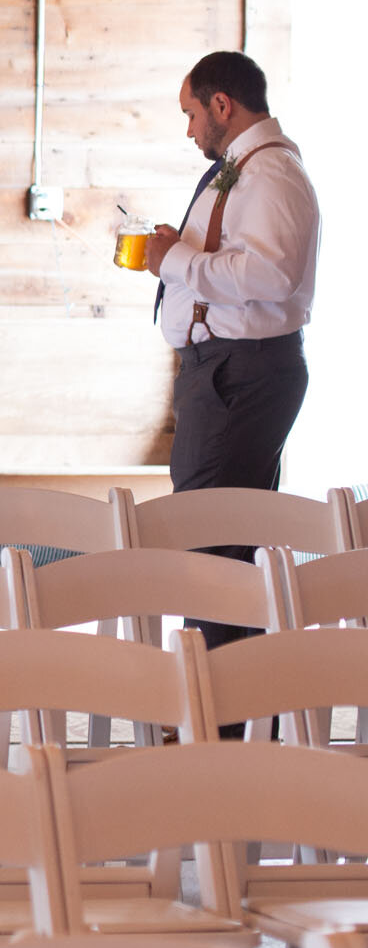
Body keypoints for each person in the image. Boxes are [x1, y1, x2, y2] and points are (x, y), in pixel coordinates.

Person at [142, 49, 320, 652]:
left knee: (211, 546)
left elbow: (273, 276)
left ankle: (216, 723)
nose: (189, 129)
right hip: (226, 373)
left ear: (224, 104)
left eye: (192, 113)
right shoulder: (248, 168)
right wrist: (182, 249)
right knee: (227, 545)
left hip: (237, 376)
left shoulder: (270, 173)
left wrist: (178, 261)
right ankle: (229, 715)